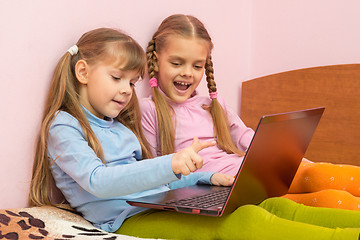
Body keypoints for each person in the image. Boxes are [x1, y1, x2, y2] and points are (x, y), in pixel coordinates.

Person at [29, 27, 360, 240]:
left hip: (157, 203)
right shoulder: (65, 126)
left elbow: (159, 184)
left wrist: (203, 179)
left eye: (131, 82)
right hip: (126, 219)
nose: (127, 90)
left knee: (259, 209)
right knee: (241, 225)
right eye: (118, 78)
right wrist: (171, 163)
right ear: (82, 71)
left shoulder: (119, 129)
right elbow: (99, 181)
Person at [140, 13, 360, 212]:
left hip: (249, 174)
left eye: (197, 66)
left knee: (321, 176)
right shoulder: (149, 110)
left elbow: (246, 137)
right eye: (177, 63)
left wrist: (290, 158)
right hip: (226, 184)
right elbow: (153, 170)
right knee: (321, 198)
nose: (187, 73)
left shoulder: (213, 105)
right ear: (156, 61)